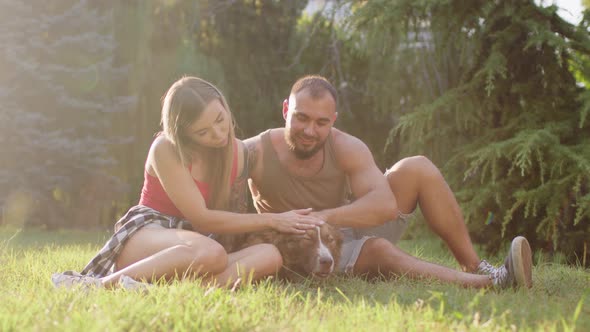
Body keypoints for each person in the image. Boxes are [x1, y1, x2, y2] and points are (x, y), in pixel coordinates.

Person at [245, 75, 533, 288]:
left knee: (417, 168)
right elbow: (217, 206)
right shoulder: (256, 151)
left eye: (321, 123)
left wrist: (324, 217)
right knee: (380, 251)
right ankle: (491, 284)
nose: (310, 130)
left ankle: (476, 266)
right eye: (301, 118)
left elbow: (384, 205)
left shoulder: (346, 146)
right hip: (298, 244)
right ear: (285, 110)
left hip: (339, 224)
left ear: (333, 120)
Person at [52, 76, 324, 290]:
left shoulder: (238, 153)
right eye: (203, 132)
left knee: (269, 255)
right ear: (183, 132)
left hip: (199, 245)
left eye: (220, 120)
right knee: (211, 252)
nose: (218, 134)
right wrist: (273, 220)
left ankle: (163, 293)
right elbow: (204, 219)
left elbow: (228, 219)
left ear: (224, 105)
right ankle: (98, 286)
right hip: (151, 234)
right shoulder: (166, 149)